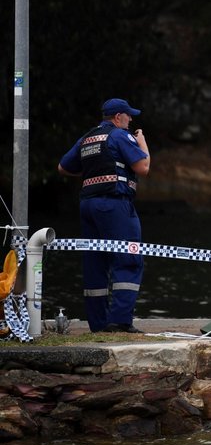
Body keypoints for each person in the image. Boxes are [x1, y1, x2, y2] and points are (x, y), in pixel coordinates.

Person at [58, 98, 150, 333]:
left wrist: (95, 168)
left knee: (95, 262)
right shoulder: (120, 135)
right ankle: (119, 321)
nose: (131, 120)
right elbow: (143, 167)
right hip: (114, 205)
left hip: (88, 205)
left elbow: (63, 167)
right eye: (128, 116)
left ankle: (98, 324)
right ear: (118, 117)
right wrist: (142, 143)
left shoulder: (87, 137)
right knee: (129, 259)